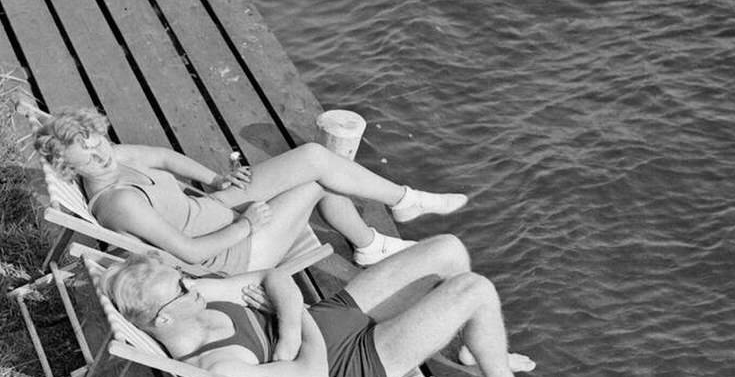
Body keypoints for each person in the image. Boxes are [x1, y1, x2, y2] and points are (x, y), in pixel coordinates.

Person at [98, 233, 560, 377]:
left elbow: (271, 275)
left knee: (448, 250)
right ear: (163, 318)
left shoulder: (192, 302)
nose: (195, 285)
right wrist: (293, 315)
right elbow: (315, 376)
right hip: (355, 363)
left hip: (322, 319)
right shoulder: (223, 369)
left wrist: (292, 330)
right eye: (182, 287)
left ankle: (473, 347)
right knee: (473, 288)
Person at [33, 108, 468, 273]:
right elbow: (189, 253)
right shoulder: (119, 202)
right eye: (88, 155)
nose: (101, 155)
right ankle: (369, 243)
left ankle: (404, 201)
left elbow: (165, 158)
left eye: (99, 142)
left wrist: (213, 180)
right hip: (234, 250)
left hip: (211, 205)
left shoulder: (114, 158)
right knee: (317, 179)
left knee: (316, 156)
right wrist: (246, 226)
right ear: (66, 165)